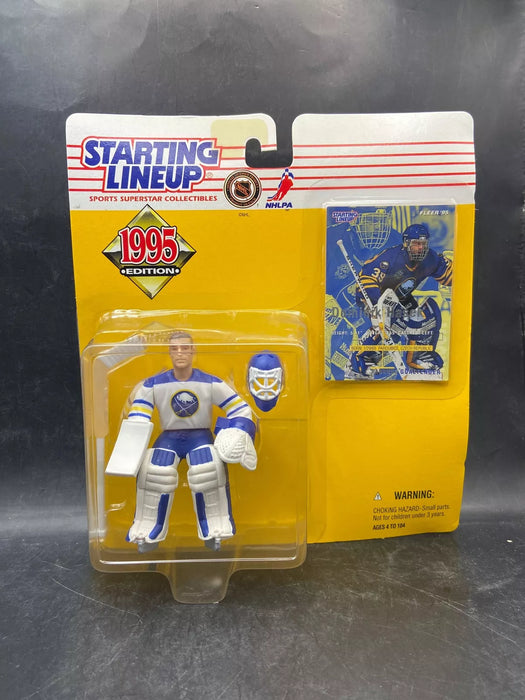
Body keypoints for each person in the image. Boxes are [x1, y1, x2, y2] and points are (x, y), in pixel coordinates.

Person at [111, 331, 257, 552]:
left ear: (193, 351)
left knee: (208, 470)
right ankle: (148, 529)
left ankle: (215, 527)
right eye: (175, 349)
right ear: (169, 352)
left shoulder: (209, 382)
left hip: (200, 436)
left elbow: (239, 408)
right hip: (169, 437)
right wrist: (131, 448)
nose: (180, 353)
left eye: (185, 348)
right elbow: (138, 414)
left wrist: (238, 430)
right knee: (154, 472)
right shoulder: (153, 384)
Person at [349, 223, 452, 377]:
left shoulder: (430, 258)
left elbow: (449, 276)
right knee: (394, 324)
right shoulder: (390, 258)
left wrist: (457, 266)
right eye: (416, 244)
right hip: (372, 296)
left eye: (423, 244)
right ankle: (360, 358)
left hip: (399, 296)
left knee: (429, 314)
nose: (420, 248)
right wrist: (377, 306)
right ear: (406, 243)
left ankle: (419, 356)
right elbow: (366, 279)